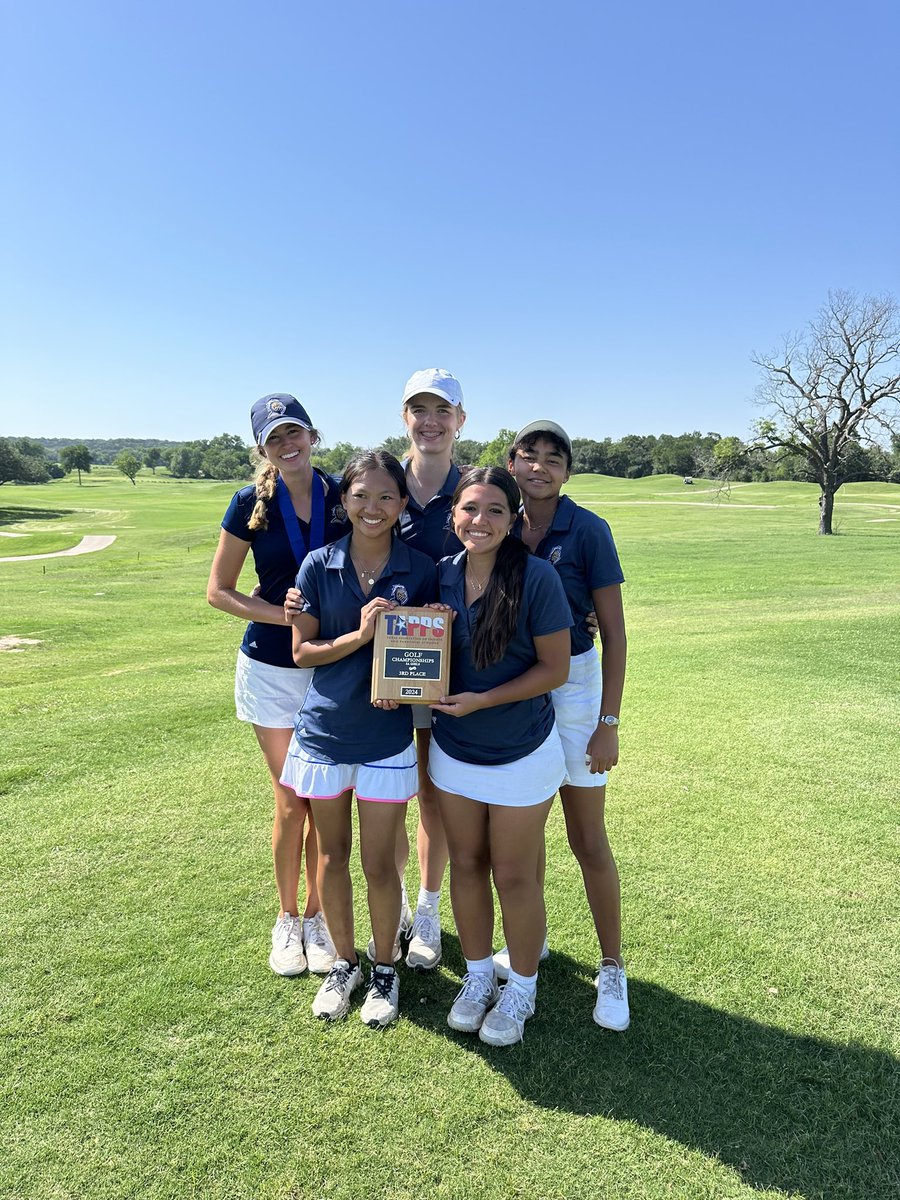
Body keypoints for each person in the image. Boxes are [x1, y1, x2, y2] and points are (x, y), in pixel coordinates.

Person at [281, 452, 438, 1027]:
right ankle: (344, 963)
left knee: (379, 863)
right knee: (330, 855)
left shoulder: (420, 567)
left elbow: (426, 656)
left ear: (401, 504)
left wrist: (424, 645)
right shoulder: (318, 566)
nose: (372, 508)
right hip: (325, 733)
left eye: (386, 497)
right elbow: (303, 653)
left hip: (385, 738)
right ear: (343, 500)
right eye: (360, 496)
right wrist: (363, 633)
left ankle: (385, 968)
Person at [427, 467, 572, 1046]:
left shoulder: (536, 577)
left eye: (493, 510)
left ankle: (523, 988)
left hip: (521, 752)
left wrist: (484, 699)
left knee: (513, 875)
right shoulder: (440, 577)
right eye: (469, 509)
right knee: (465, 866)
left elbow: (554, 668)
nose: (479, 521)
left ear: (513, 520)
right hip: (455, 750)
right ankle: (479, 976)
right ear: (453, 515)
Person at [207, 393, 348, 979]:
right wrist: (285, 616)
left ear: (313, 434)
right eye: (275, 438)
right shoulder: (248, 502)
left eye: (295, 432)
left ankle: (318, 918)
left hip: (332, 665)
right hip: (270, 668)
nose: (288, 445)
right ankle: (288, 919)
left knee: (327, 801)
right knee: (293, 801)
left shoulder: (343, 492)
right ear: (263, 449)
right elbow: (219, 591)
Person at [499, 419, 630, 1031]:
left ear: (568, 470)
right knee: (525, 831)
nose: (540, 467)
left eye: (554, 458)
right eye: (529, 456)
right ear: (512, 462)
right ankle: (536, 940)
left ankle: (612, 967)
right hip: (516, 682)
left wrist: (609, 719)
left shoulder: (590, 530)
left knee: (586, 838)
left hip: (576, 686)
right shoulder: (499, 521)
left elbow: (616, 633)